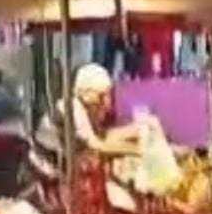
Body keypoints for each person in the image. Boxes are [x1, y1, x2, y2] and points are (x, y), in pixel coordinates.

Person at [28, 63, 142, 206]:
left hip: (62, 167)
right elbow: (98, 145)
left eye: (108, 95)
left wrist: (136, 131)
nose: (107, 102)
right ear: (84, 92)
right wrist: (138, 150)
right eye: (101, 96)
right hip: (47, 171)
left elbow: (103, 135)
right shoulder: (73, 108)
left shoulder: (86, 109)